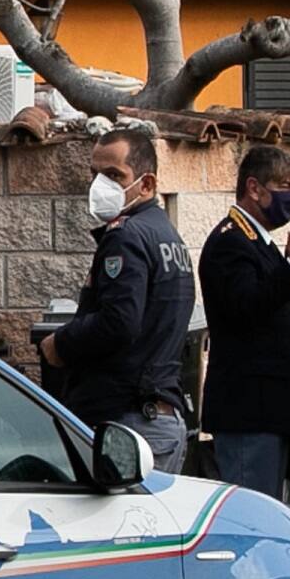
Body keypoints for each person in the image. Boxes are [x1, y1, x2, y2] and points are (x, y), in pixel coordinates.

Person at [40, 128, 197, 473]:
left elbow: (119, 322)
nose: (100, 185)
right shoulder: (166, 235)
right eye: (94, 174)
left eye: (113, 175)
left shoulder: (126, 236)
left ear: (146, 184)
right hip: (159, 420)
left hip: (130, 423)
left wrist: (60, 344)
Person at [199, 144, 290, 498]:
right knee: (250, 519)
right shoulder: (232, 242)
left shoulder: (260, 242)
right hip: (248, 414)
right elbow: (246, 307)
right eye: (283, 186)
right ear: (254, 188)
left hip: (270, 413)